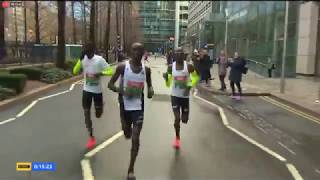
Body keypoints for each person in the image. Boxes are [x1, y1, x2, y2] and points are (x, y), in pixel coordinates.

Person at [108, 42, 154, 180]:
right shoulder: (123, 67)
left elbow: (150, 87)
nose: (137, 53)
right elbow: (110, 84)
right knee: (127, 133)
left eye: (139, 50)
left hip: (138, 107)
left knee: (135, 138)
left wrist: (151, 91)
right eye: (134, 50)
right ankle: (125, 128)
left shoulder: (146, 70)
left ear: (143, 53)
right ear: (131, 51)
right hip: (124, 106)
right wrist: (119, 90)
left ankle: (131, 169)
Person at [73, 42, 114, 150]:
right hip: (86, 90)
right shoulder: (83, 59)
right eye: (86, 53)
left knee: (98, 115)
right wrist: (79, 63)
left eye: (89, 53)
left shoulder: (99, 60)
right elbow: (74, 71)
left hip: (97, 92)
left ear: (93, 51)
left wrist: (100, 74)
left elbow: (110, 70)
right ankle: (91, 137)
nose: (88, 55)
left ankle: (101, 107)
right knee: (86, 113)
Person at [163, 47, 200, 149]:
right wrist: (166, 78)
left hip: (185, 98)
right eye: (177, 53)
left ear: (184, 55)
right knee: (177, 119)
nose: (179, 55)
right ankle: (177, 138)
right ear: (174, 55)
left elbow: (196, 77)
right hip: (175, 96)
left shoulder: (189, 67)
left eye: (181, 53)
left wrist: (189, 86)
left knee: (184, 120)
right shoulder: (171, 67)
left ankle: (185, 116)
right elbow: (168, 84)